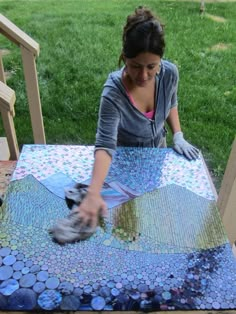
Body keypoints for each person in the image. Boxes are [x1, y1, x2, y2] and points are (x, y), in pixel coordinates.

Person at [77, 6, 199, 228]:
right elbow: (105, 145)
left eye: (151, 67)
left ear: (160, 60)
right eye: (135, 66)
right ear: (125, 58)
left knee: (153, 220)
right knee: (124, 225)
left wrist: (178, 135)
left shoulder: (170, 73)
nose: (143, 75)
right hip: (124, 164)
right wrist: (94, 192)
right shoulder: (113, 94)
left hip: (156, 157)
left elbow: (171, 102)